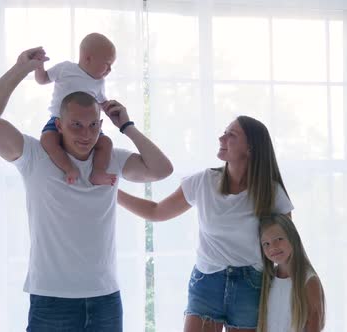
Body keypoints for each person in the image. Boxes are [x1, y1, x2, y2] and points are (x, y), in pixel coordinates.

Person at [0, 46, 173, 332]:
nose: (86, 134)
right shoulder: (35, 155)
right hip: (52, 300)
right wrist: (21, 68)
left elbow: (162, 169)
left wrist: (127, 125)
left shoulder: (112, 158)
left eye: (93, 125)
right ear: (59, 125)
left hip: (105, 298)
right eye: (76, 125)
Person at [118, 115, 293, 332]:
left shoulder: (271, 192)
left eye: (232, 135)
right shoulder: (203, 181)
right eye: (224, 131)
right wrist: (112, 193)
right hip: (207, 282)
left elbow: (286, 248)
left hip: (251, 285)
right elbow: (156, 211)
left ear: (250, 148)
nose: (221, 137)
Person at [35, 32, 116, 185]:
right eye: (107, 64)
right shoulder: (65, 69)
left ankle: (98, 173)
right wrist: (39, 66)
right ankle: (68, 168)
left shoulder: (99, 82)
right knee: (47, 140)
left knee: (106, 143)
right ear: (88, 58)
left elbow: (102, 103)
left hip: (89, 125)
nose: (110, 70)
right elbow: (43, 79)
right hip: (58, 120)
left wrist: (111, 108)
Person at [258, 215, 325, 332]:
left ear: (292, 238)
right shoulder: (268, 279)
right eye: (266, 244)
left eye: (279, 239)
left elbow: (314, 325)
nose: (273, 247)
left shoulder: (309, 281)